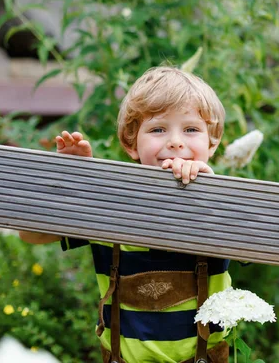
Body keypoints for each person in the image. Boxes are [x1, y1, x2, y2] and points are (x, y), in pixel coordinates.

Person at [19, 67, 230, 363]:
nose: (175, 142)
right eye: (158, 129)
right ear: (131, 142)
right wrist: (72, 184)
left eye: (191, 129)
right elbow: (30, 234)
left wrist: (210, 193)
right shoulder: (109, 205)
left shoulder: (226, 205)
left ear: (212, 140)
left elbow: (263, 242)